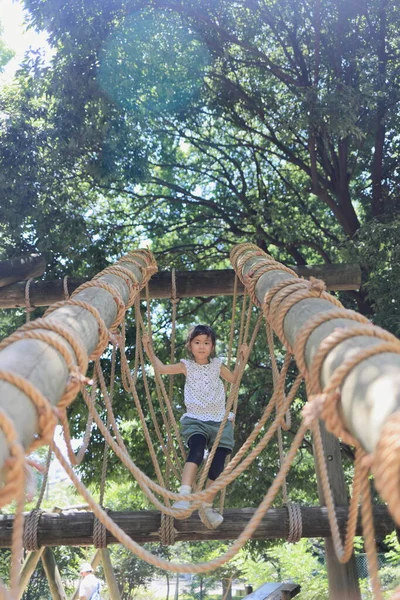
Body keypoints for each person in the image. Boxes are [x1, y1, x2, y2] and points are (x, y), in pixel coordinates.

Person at [142, 324, 249, 528]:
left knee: (218, 463)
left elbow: (235, 379)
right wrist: (149, 349)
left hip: (219, 420)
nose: (202, 347)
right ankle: (183, 496)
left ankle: (206, 506)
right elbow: (161, 368)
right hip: (196, 419)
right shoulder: (186, 366)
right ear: (190, 346)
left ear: (212, 346)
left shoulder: (217, 365)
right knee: (197, 451)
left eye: (206, 343)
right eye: (197, 342)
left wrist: (242, 357)